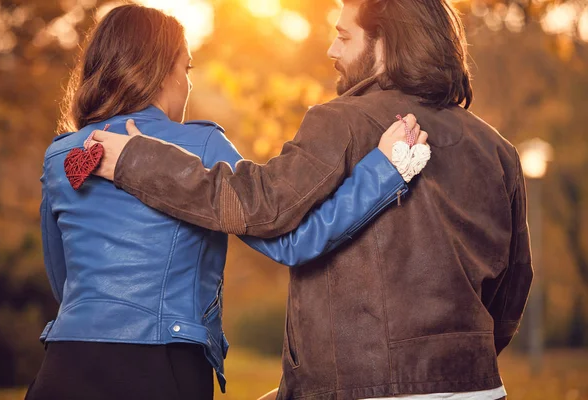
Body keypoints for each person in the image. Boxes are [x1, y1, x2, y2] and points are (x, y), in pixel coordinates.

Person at [90, 0, 533, 399]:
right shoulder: (498, 149)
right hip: (479, 387)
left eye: (344, 36)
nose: (331, 51)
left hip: (367, 387)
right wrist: (458, 361)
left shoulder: (341, 121)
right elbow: (514, 285)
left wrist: (137, 160)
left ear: (387, 45)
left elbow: (259, 206)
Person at [27, 4, 429, 400]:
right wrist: (386, 170)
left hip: (64, 362)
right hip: (162, 365)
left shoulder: (61, 154)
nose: (187, 84)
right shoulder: (202, 145)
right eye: (186, 68)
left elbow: (62, 278)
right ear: (161, 70)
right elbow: (294, 241)